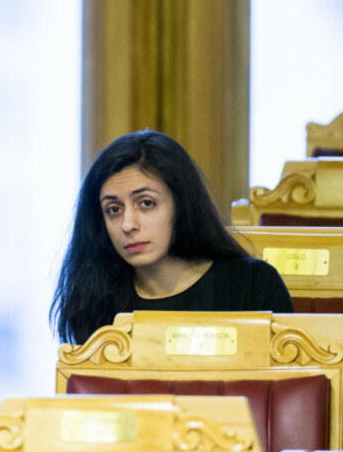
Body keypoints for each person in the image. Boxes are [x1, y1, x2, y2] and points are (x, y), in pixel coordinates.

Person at [51, 130, 293, 345]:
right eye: (114, 209)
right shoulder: (95, 298)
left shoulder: (252, 285)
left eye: (146, 203)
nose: (127, 224)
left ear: (181, 205)